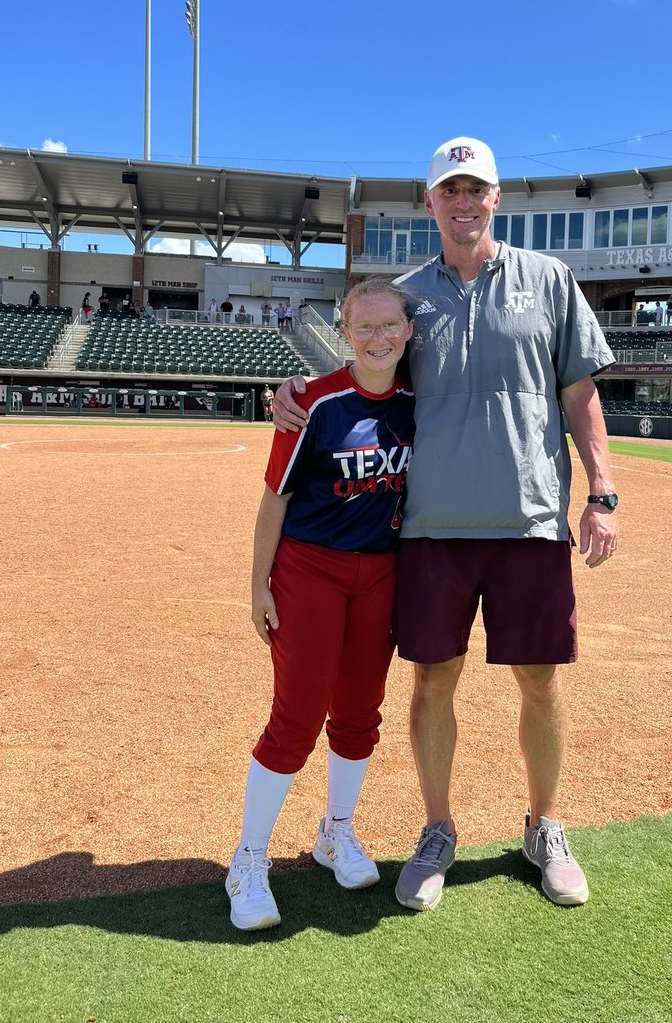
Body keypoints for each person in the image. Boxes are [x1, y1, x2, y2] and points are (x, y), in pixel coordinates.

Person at [273, 136, 619, 912]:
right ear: (429, 203)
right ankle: (437, 831)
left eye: (477, 190)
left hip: (530, 521)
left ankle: (546, 827)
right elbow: (366, 365)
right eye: (449, 191)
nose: (464, 204)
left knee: (540, 680)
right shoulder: (407, 296)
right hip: (429, 527)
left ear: (497, 198)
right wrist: (296, 387)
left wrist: (602, 491)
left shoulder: (550, 280)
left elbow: (579, 393)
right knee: (433, 680)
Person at [225, 279, 415, 931]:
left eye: (390, 325)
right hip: (310, 569)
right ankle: (248, 860)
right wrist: (258, 587)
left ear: (408, 331)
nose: (378, 338)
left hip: (381, 575)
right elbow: (274, 497)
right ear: (344, 332)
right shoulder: (313, 401)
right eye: (364, 327)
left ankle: (335, 832)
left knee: (360, 712)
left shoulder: (424, 402)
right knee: (298, 716)